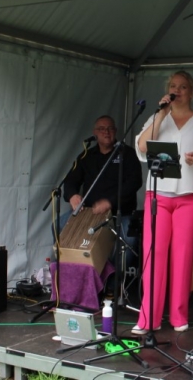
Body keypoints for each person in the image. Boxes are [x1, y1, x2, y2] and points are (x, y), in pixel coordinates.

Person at [132, 70, 193, 334]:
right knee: (154, 255)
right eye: (173, 86)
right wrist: (161, 114)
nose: (177, 90)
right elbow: (142, 146)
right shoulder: (158, 118)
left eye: (183, 87)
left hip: (192, 197)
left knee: (183, 257)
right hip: (158, 195)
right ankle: (148, 318)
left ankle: (178, 316)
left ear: (191, 92)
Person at [61, 115, 143, 273]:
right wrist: (72, 195)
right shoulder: (86, 155)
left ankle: (112, 279)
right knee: (58, 224)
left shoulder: (127, 154)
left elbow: (134, 183)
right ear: (95, 133)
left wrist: (110, 202)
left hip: (119, 214)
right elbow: (70, 180)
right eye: (101, 129)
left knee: (128, 239)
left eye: (110, 128)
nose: (106, 132)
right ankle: (71, 275)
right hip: (89, 214)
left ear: (116, 131)